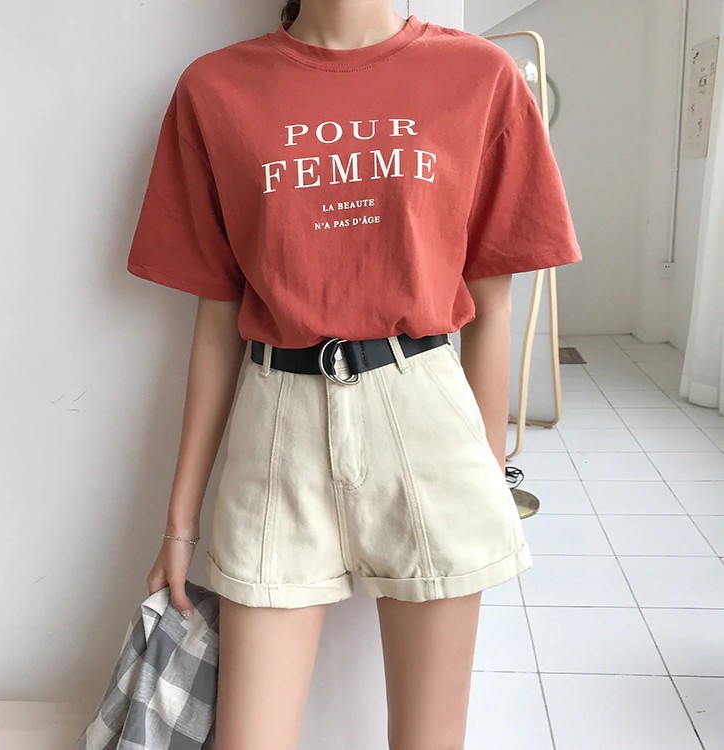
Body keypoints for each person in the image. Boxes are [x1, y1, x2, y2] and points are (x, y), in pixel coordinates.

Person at [125, 1, 582, 748]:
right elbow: (215, 316)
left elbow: (491, 306)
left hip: (426, 414)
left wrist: (486, 476)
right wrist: (181, 524)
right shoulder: (216, 88)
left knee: (429, 740)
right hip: (276, 424)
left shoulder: (478, 75)